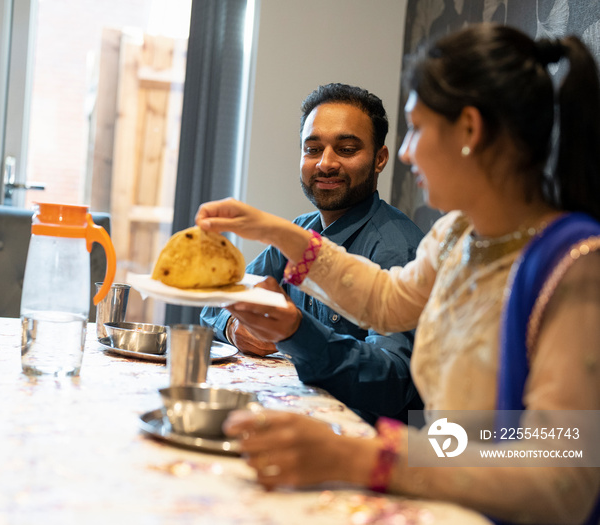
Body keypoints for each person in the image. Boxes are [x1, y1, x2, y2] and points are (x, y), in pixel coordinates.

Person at [195, 24, 600, 525]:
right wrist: (275, 230)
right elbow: (387, 298)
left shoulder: (576, 264)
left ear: (469, 130)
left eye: (416, 128)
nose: (406, 153)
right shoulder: (458, 234)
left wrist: (363, 456)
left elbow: (560, 478)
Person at [200, 83, 424, 424]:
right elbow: (215, 300)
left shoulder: (396, 248)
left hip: (357, 442)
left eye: (347, 149)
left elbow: (391, 383)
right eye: (312, 149)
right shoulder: (301, 233)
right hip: (288, 413)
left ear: (380, 159)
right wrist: (237, 328)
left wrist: (297, 334)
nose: (326, 163)